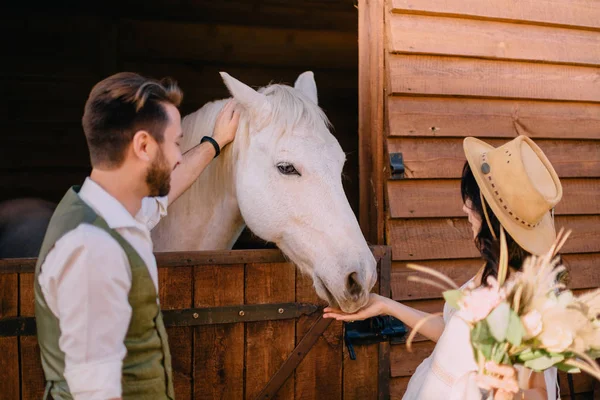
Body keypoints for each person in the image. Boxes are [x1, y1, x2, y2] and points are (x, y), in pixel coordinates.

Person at [34, 72, 240, 399]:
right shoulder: (92, 248)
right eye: (175, 143)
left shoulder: (109, 212)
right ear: (143, 145)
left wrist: (214, 143)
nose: (177, 156)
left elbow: (163, 197)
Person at [324, 135, 564, 400]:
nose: (464, 207)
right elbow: (451, 333)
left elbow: (541, 393)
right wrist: (385, 305)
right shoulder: (494, 270)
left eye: (472, 201)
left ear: (492, 217)